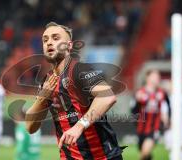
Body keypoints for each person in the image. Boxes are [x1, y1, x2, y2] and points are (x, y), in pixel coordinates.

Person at [25, 22, 125, 159]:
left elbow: (107, 97)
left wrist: (79, 126)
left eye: (55, 38)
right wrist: (42, 99)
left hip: (101, 156)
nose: (49, 43)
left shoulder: (79, 69)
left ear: (69, 45)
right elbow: (30, 127)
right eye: (45, 39)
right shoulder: (47, 81)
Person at [132, 70, 169, 160]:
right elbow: (133, 111)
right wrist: (137, 101)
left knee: (145, 151)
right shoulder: (140, 92)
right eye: (154, 77)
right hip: (141, 128)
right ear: (147, 78)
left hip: (155, 128)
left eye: (158, 77)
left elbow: (168, 106)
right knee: (144, 155)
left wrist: (167, 118)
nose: (157, 79)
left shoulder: (162, 93)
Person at [163, 83, 182, 160]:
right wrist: (167, 123)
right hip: (171, 128)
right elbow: (164, 113)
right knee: (173, 149)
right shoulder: (166, 99)